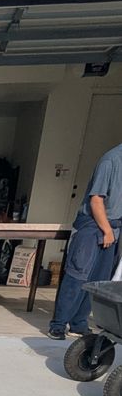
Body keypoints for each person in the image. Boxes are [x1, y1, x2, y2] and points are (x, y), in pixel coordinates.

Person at [48, 142, 122, 339]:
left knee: (98, 281)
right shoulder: (111, 161)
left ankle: (79, 324)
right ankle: (58, 325)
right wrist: (106, 230)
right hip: (92, 226)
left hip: (113, 227)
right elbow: (96, 200)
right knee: (77, 276)